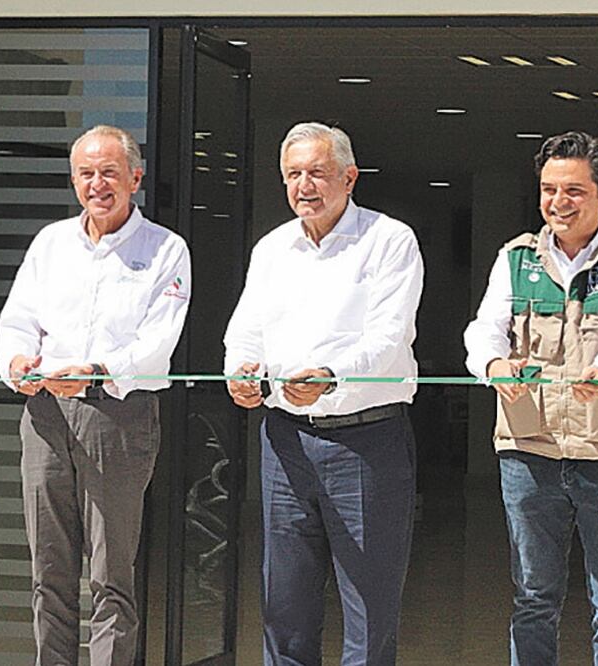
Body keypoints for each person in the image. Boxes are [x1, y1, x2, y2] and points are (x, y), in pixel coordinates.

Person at [223, 122, 423, 665]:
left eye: (316, 172)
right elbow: (244, 331)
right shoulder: (272, 248)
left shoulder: (389, 240)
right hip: (284, 442)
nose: (303, 186)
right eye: (293, 175)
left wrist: (330, 376)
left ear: (349, 177)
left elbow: (388, 338)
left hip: (366, 442)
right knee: (283, 608)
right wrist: (240, 371)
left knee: (369, 610)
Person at [0, 125, 191, 665]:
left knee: (110, 574)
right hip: (46, 416)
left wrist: (99, 371)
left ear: (135, 178)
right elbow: (17, 322)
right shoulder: (51, 243)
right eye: (86, 173)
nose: (97, 184)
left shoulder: (165, 249)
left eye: (109, 172)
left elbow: (157, 342)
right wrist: (17, 361)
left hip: (117, 415)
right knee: (49, 571)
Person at [463, 130, 598, 665]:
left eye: (574, 190)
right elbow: (484, 330)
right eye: (549, 189)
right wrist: (494, 365)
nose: (558, 202)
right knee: (533, 598)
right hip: (529, 450)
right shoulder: (515, 258)